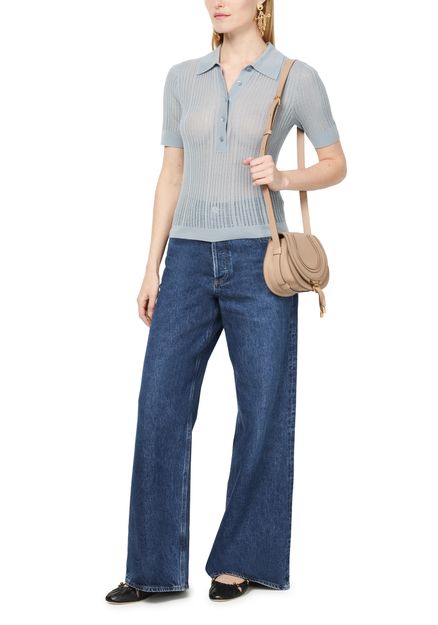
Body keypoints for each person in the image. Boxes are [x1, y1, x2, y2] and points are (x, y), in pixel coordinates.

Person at [105, 0, 347, 604]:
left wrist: (284, 178)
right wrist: (152, 265)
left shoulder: (294, 77)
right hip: (187, 260)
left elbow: (336, 163)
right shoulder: (182, 78)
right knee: (159, 405)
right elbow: (170, 173)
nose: (216, 1)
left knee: (263, 408)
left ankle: (243, 559)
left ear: (260, 2)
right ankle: (152, 568)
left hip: (260, 257)